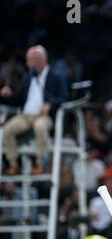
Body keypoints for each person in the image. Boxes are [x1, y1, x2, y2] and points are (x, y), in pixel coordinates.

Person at [0, 45, 69, 174]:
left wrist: (50, 104)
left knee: (40, 127)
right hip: (25, 116)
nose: (27, 64)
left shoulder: (55, 77)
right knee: (7, 129)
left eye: (29, 60)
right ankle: (14, 164)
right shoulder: (28, 78)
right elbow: (17, 99)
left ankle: (40, 163)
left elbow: (64, 97)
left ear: (39, 60)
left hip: (43, 116)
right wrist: (6, 95)